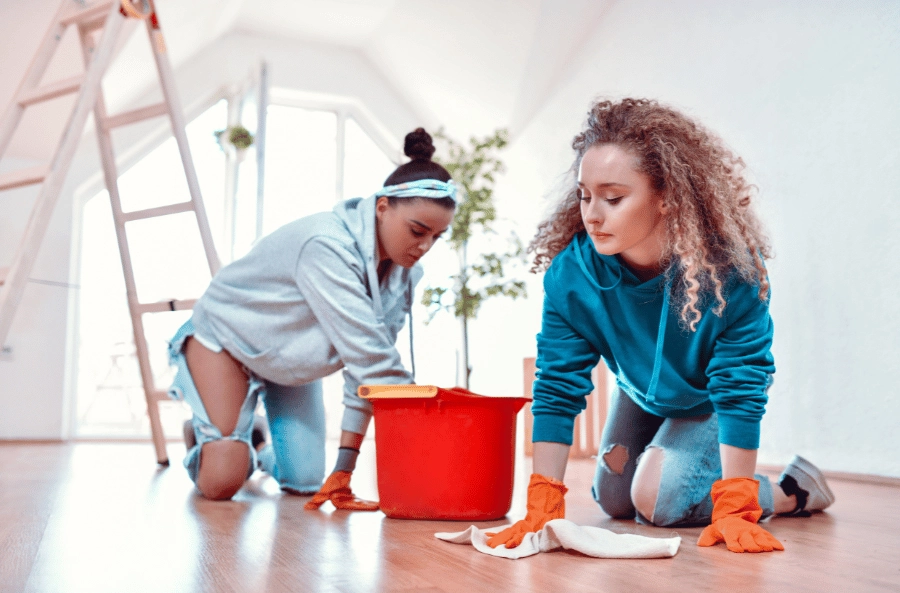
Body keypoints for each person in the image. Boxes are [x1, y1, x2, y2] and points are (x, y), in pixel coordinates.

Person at [487, 99, 834, 553]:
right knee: (614, 499)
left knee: (657, 500)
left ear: (666, 196)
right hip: (641, 394)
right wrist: (542, 501)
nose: (592, 214)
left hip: (708, 399)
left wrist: (734, 504)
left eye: (613, 198)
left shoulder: (731, 272)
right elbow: (557, 384)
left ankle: (792, 491)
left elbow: (739, 386)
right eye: (584, 195)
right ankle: (695, 476)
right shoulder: (572, 276)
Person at [167, 128, 456, 503]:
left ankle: (248, 437)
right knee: (222, 481)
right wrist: (430, 420)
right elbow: (376, 364)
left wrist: (344, 470)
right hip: (227, 340)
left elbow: (365, 373)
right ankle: (215, 439)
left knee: (304, 480)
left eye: (437, 236)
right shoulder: (326, 245)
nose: (424, 246)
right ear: (382, 206)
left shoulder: (404, 275)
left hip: (288, 359)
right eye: (418, 230)